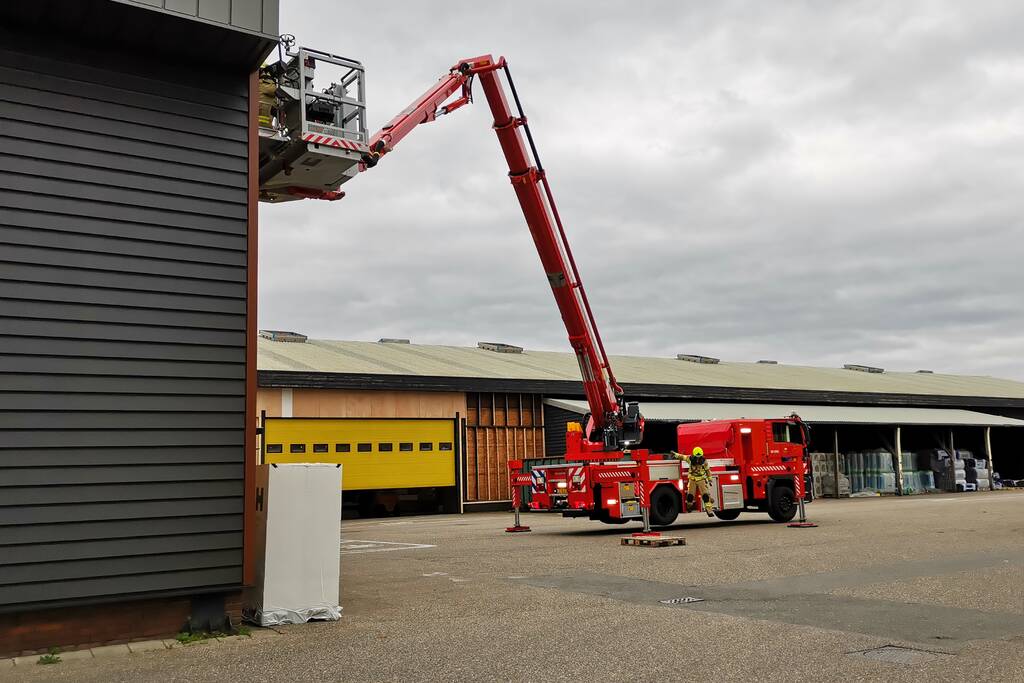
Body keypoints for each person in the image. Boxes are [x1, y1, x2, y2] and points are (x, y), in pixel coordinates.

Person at [673, 447, 714, 517]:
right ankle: (689, 506)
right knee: (690, 496)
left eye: (699, 457)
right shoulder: (690, 459)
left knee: (705, 495)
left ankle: (709, 510)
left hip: (701, 479)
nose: (698, 459)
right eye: (696, 457)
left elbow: (707, 471)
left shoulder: (704, 461)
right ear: (694, 455)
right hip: (692, 479)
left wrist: (710, 479)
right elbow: (682, 457)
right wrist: (675, 455)